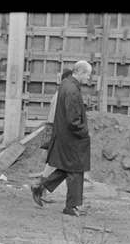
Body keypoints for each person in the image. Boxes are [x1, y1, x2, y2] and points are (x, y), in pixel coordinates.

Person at [31, 60, 93, 216]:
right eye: (87, 74)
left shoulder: (66, 84)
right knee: (76, 170)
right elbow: (73, 120)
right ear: (80, 72)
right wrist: (83, 132)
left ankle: (40, 188)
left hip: (64, 136)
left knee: (66, 169)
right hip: (72, 138)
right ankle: (71, 207)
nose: (88, 78)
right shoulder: (72, 89)